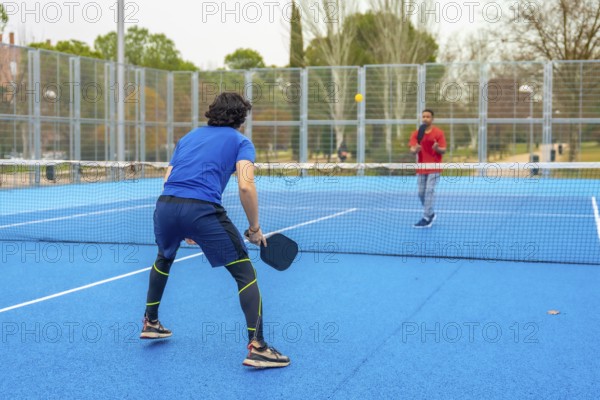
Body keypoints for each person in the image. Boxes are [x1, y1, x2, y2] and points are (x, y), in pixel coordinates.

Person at [140, 92, 290, 369]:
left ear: (212, 112)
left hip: (166, 206)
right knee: (245, 272)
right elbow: (246, 185)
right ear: (241, 119)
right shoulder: (241, 142)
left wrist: (181, 221)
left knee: (164, 257)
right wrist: (254, 229)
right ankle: (258, 347)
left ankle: (151, 321)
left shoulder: (187, 138)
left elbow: (168, 178)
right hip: (202, 210)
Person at [408, 109, 446, 228]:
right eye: (423, 116)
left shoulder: (438, 133)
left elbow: (443, 150)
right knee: (421, 193)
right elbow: (412, 150)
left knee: (429, 190)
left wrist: (437, 148)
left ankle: (426, 217)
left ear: (432, 119)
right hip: (421, 167)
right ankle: (430, 213)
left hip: (435, 166)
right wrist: (416, 150)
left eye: (428, 117)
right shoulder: (416, 133)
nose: (425, 118)